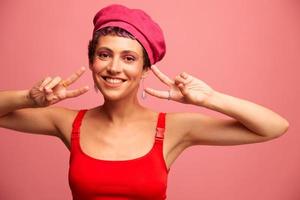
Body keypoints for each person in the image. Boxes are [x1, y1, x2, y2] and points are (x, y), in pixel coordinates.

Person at [0, 4, 289, 200]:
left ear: (145, 69)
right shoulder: (68, 122)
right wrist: (28, 98)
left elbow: (274, 127)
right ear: (91, 62)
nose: (114, 68)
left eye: (129, 58)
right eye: (104, 55)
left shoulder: (173, 128)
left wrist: (210, 99)